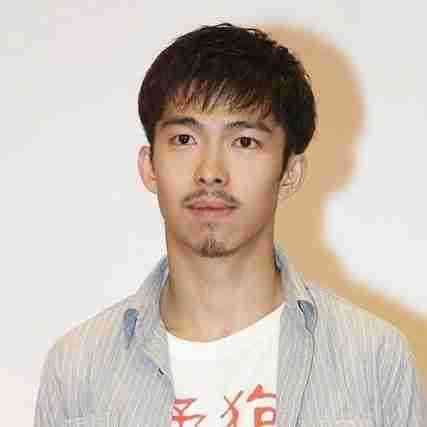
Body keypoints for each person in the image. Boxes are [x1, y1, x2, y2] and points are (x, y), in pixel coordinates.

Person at [34, 23, 426, 426]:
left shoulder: (373, 358)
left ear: (289, 173)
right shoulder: (78, 370)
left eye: (244, 142)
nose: (210, 172)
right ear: (149, 166)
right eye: (184, 139)